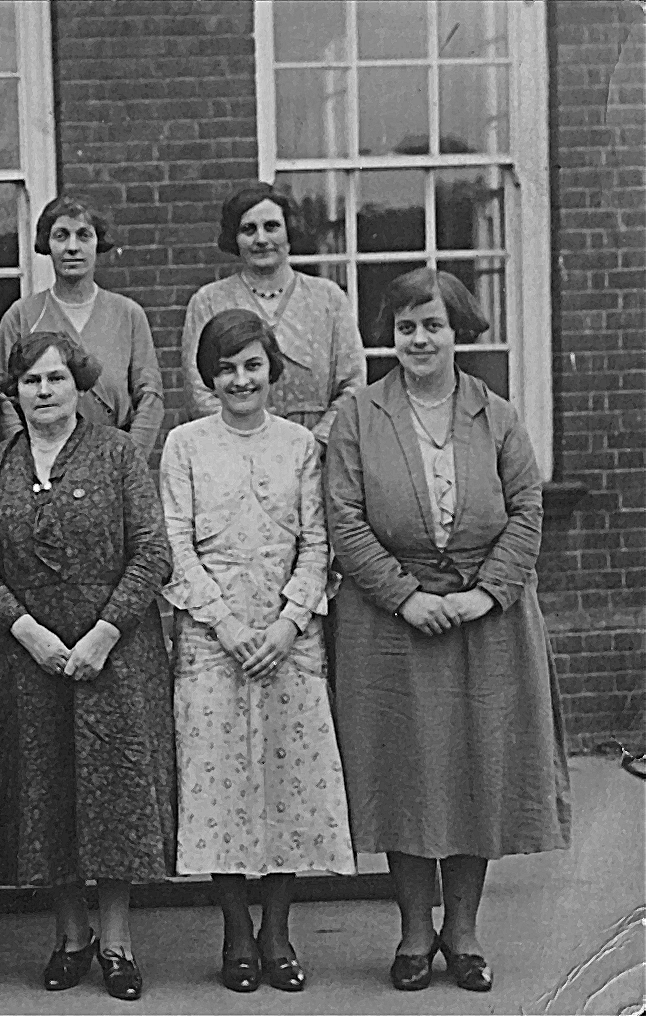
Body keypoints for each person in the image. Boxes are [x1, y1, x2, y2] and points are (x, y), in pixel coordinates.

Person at [325, 268, 569, 994]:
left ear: (458, 331)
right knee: (404, 773)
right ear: (388, 336)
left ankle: (462, 935)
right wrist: (403, 597)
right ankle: (413, 933)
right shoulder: (359, 416)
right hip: (389, 626)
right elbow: (343, 517)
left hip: (484, 625)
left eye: (432, 325)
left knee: (474, 773)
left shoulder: (495, 415)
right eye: (405, 327)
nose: (419, 338)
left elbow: (527, 510)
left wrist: (485, 595)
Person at [0, 331, 175, 1001]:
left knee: (112, 791)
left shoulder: (117, 455)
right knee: (47, 789)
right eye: (31, 381)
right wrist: (27, 632)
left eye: (56, 379)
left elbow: (152, 552)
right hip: (31, 658)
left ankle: (117, 943)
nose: (44, 392)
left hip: (114, 656)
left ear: (78, 384)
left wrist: (104, 634)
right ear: (14, 391)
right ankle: (71, 936)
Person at [160, 309, 355, 994]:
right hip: (212, 644)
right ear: (208, 376)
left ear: (272, 369)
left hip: (287, 644)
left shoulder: (301, 445)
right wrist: (225, 624)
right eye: (226, 367)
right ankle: (235, 933)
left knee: (286, 787)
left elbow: (318, 543)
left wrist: (288, 622)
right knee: (218, 787)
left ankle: (277, 932)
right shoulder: (184, 446)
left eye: (252, 365)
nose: (240, 379)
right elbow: (174, 546)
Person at [180, 182, 363, 443]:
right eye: (248, 230)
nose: (261, 239)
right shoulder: (208, 302)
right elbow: (199, 391)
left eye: (272, 227)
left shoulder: (328, 298)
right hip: (234, 449)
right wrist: (252, 441)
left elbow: (352, 385)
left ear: (289, 232)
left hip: (318, 455)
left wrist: (315, 443)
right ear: (235, 238)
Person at [0, 196, 164, 460]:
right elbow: (4, 398)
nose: (72, 247)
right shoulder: (21, 316)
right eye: (61, 236)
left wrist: (129, 458)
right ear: (47, 244)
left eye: (84, 236)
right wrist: (28, 460)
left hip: (113, 457)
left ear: (98, 243)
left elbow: (150, 395)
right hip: (41, 461)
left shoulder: (128, 314)